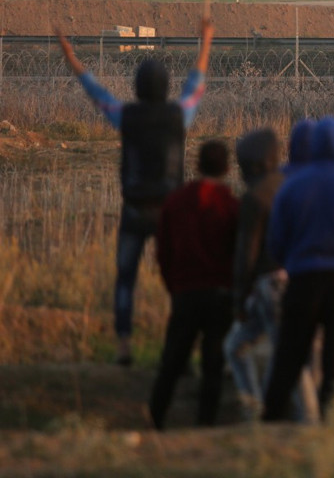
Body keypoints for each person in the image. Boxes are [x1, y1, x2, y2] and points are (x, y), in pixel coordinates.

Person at [56, 19, 215, 365]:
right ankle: (180, 350)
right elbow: (195, 87)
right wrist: (205, 43)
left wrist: (71, 56)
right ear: (164, 86)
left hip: (134, 208)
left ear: (138, 87)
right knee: (178, 282)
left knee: (125, 280)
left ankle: (124, 345)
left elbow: (96, 94)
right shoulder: (178, 116)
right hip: (170, 211)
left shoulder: (126, 116)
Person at [262, 117, 334, 421]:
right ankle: (330, 426)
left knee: (289, 356)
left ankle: (270, 420)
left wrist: (290, 261)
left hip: (304, 278)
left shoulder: (293, 187)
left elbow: (276, 240)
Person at [222, 122, 319, 422]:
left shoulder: (255, 197)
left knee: (277, 354)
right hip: (299, 278)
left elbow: (246, 254)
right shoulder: (292, 185)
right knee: (256, 348)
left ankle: (305, 420)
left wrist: (239, 300)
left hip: (270, 285)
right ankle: (263, 411)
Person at [149, 140, 239, 430]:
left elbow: (163, 249)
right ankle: (206, 424)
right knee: (213, 365)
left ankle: (155, 417)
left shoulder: (176, 201)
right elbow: (239, 254)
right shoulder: (231, 206)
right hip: (220, 294)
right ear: (227, 168)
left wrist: (172, 284)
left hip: (186, 293)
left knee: (172, 361)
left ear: (197, 165)